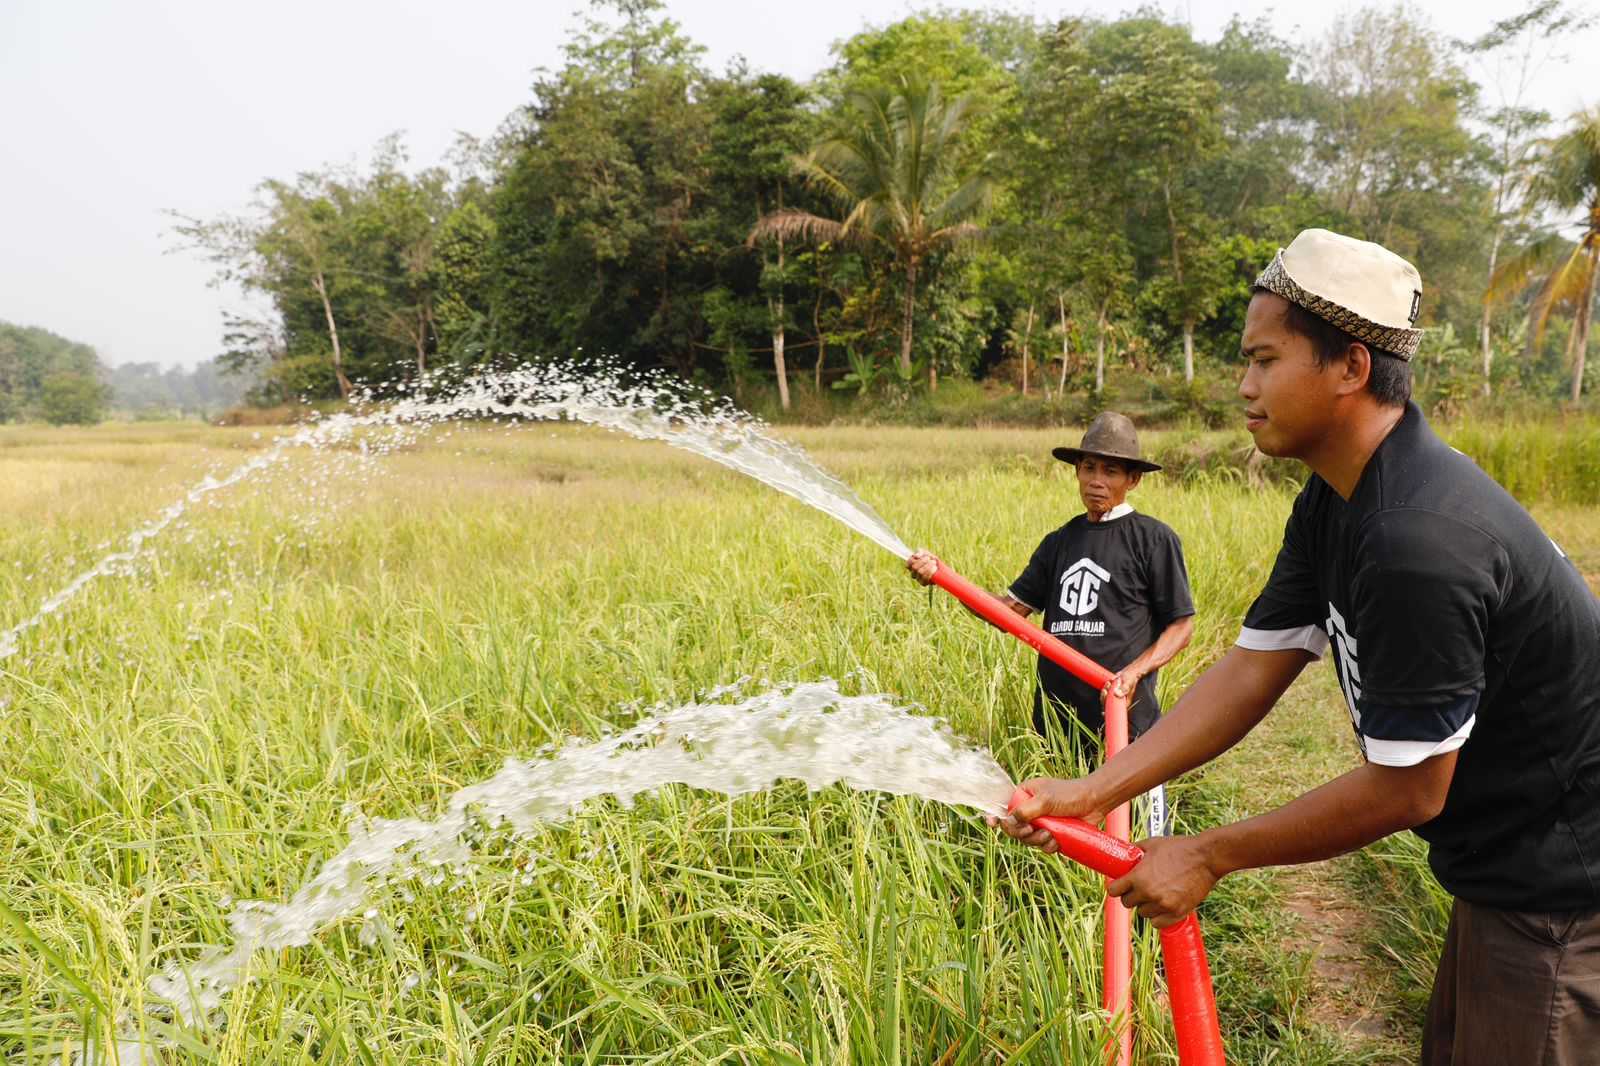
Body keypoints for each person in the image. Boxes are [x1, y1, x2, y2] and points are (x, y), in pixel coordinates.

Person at [999, 228, 1600, 1064]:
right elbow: (1254, 667)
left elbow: (1413, 788)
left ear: (1350, 367)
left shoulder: (1415, 539)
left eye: (1264, 360)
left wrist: (1208, 855)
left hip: (1566, 904)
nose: (1243, 387)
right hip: (1504, 876)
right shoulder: (1338, 497)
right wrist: (1094, 791)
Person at [907, 412, 1195, 748]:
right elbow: (1009, 612)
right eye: (1088, 468)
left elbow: (1181, 628)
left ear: (1133, 480)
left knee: (1127, 803)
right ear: (1076, 472)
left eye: (1110, 471)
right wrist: (945, 578)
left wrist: (1131, 674)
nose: (1096, 480)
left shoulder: (1154, 539)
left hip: (1125, 723)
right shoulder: (1059, 542)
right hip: (1056, 726)